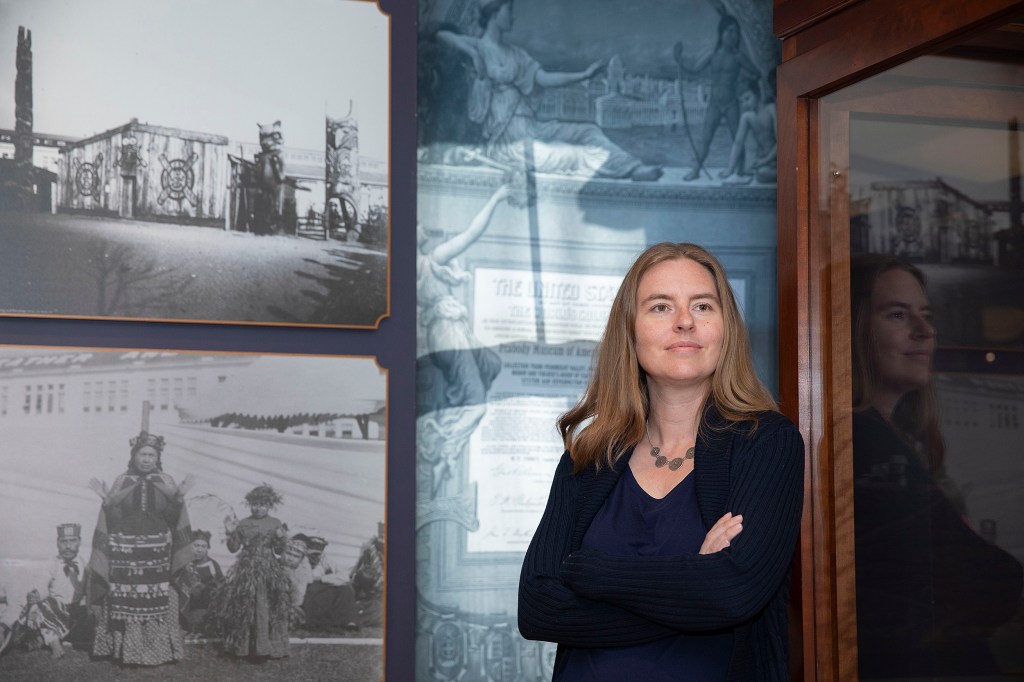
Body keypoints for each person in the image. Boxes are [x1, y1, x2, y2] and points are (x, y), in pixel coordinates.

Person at [518, 242, 804, 681]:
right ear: (629, 332)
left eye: (703, 306)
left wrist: (591, 571)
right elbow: (537, 608)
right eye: (660, 307)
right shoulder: (589, 457)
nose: (685, 321)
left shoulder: (766, 443)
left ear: (725, 329)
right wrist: (694, 577)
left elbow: (734, 592)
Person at [849, 254, 1023, 677]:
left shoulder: (900, 442)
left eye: (926, 315)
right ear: (854, 330)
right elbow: (983, 581)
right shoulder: (865, 443)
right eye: (897, 315)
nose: (925, 332)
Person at [436, 0, 662, 181]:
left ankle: (633, 168)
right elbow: (441, 35)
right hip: (508, 142)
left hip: (532, 128)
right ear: (494, 13)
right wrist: (475, 56)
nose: (513, 16)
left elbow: (545, 78)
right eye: (509, 9)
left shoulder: (516, 55)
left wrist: (582, 75)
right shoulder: (477, 47)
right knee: (567, 155)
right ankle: (619, 171)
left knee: (588, 130)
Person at [85, 430, 194, 666]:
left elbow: (172, 518)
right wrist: (107, 502)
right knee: (128, 599)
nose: (146, 459)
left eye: (151, 455)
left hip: (157, 551)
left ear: (157, 458)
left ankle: (159, 650)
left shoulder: (166, 481)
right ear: (134, 456)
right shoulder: (121, 481)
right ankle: (126, 650)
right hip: (125, 550)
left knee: (157, 597)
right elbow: (114, 519)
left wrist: (178, 498)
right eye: (142, 454)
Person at [674, 14, 760, 181]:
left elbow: (756, 73)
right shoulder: (712, 55)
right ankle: (696, 170)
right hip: (714, 102)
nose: (733, 36)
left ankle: (740, 171)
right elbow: (693, 70)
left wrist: (743, 84)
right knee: (705, 138)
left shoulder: (738, 56)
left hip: (731, 102)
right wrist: (679, 60)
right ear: (721, 33)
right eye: (730, 32)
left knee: (737, 137)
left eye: (736, 32)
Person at [212, 484, 291, 659]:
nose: (258, 508)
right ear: (250, 504)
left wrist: (280, 538)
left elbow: (278, 551)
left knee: (265, 606)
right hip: (246, 570)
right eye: (255, 504)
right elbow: (233, 549)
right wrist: (230, 533)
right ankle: (243, 648)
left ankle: (264, 649)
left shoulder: (275, 523)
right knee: (244, 606)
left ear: (269, 505)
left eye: (263, 504)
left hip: (267, 570)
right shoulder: (243, 523)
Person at [720, 78, 776, 185]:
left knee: (761, 174)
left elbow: (781, 143)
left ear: (757, 94)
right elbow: (738, 143)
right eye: (742, 101)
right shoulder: (747, 117)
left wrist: (764, 161)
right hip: (762, 162)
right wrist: (730, 169)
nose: (745, 104)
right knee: (747, 172)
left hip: (776, 160)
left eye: (747, 98)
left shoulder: (771, 110)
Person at [180, 529, 223, 635]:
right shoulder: (184, 565)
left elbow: (222, 589)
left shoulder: (213, 565)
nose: (199, 550)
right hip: (186, 609)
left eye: (203, 546)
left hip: (206, 610)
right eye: (196, 545)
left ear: (207, 548)